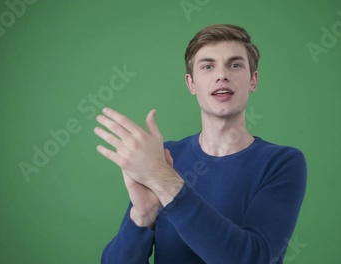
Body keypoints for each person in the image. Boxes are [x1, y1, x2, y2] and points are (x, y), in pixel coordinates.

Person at [95, 24, 307, 263]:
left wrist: (165, 181)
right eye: (208, 66)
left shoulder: (282, 162)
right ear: (191, 84)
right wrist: (142, 216)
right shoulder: (166, 156)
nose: (222, 75)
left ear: (253, 80)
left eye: (235, 65)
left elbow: (252, 258)